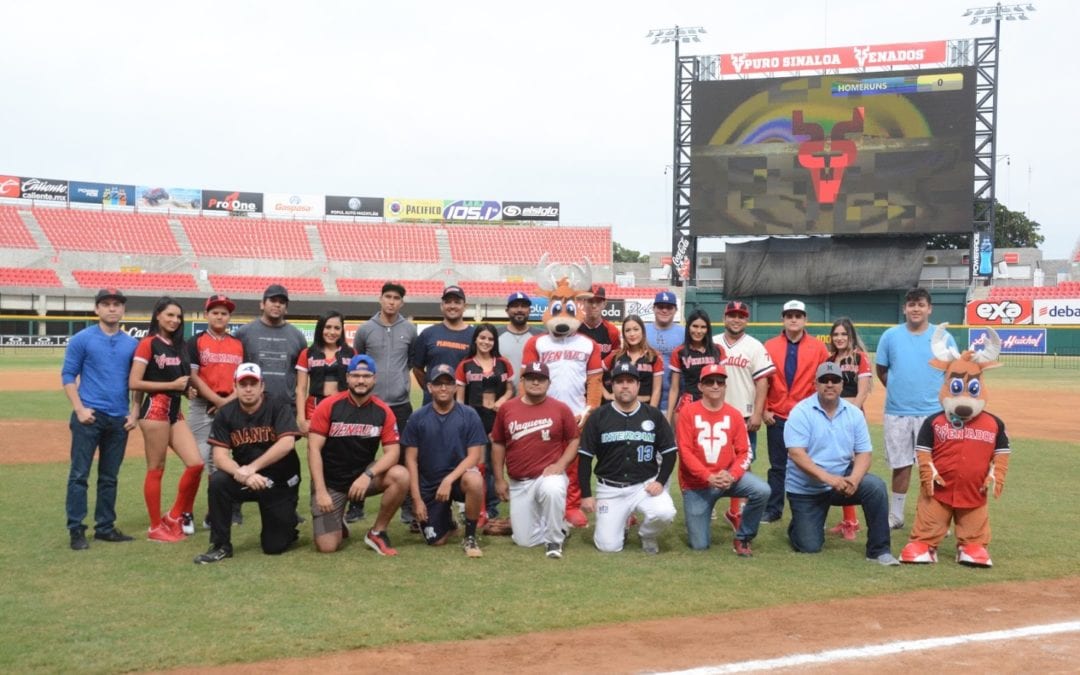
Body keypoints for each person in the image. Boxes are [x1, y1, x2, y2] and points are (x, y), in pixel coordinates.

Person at [784, 362, 899, 566]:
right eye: (824, 380)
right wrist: (830, 479)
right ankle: (799, 525)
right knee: (809, 546)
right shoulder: (801, 412)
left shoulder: (853, 413)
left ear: (842, 384)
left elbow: (864, 452)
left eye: (835, 380)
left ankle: (879, 551)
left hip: (842, 479)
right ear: (815, 384)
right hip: (807, 488)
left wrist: (854, 479)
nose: (830, 384)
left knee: (875, 487)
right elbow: (796, 454)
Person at [194, 363, 303, 564]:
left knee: (274, 547)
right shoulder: (226, 413)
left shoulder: (278, 406)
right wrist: (245, 474)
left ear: (262, 386)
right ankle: (220, 545)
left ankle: (288, 523)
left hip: (280, 480)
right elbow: (219, 457)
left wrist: (253, 468)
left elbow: (287, 443)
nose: (248, 389)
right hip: (248, 478)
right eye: (243, 384)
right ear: (235, 387)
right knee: (218, 482)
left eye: (253, 383)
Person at [306, 354, 409, 555]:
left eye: (366, 376)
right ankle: (338, 519)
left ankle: (377, 532)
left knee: (401, 475)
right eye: (355, 375)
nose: (361, 380)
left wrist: (366, 476)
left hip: (362, 479)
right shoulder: (329, 405)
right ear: (347, 378)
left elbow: (393, 453)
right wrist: (320, 491)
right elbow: (313, 449)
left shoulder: (383, 411)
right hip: (330, 483)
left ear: (374, 378)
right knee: (327, 547)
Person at [61, 288, 138, 550]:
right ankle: (76, 529)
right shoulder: (82, 339)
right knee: (79, 475)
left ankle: (105, 527)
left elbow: (136, 382)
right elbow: (68, 375)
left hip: (119, 420)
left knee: (109, 477)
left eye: (117, 304)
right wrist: (80, 409)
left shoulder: (131, 343)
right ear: (97, 309)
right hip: (89, 417)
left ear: (123, 309)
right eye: (106, 304)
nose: (112, 308)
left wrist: (135, 411)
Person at [875, 287, 957, 530]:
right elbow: (882, 370)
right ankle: (896, 515)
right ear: (904, 309)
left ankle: (935, 516)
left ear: (929, 308)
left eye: (921, 304)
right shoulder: (890, 336)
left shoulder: (943, 337)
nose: (916, 309)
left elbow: (953, 373)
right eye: (911, 304)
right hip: (897, 411)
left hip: (933, 413)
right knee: (900, 465)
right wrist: (900, 390)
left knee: (934, 466)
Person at [578, 362, 678, 554]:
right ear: (612, 386)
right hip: (610, 488)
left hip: (644, 485)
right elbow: (585, 457)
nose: (625, 385)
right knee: (608, 547)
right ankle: (620, 523)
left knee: (665, 513)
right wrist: (586, 494)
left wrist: (660, 481)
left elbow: (669, 452)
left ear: (638, 386)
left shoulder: (653, 414)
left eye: (630, 381)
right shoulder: (599, 416)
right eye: (619, 381)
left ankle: (647, 534)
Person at [129, 297, 204, 542]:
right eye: (169, 315)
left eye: (178, 316)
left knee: (196, 464)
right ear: (158, 315)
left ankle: (173, 515)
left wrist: (185, 390)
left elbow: (180, 380)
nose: (174, 320)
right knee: (156, 468)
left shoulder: (179, 346)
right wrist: (171, 385)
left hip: (174, 408)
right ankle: (154, 527)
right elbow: (134, 382)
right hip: (154, 409)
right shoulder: (148, 344)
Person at [675, 363, 771, 556]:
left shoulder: (734, 415)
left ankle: (743, 538)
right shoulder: (687, 413)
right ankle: (696, 521)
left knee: (762, 490)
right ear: (701, 386)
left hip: (728, 479)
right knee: (700, 545)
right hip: (697, 485)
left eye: (720, 381)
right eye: (709, 382)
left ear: (726, 386)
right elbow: (684, 452)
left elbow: (745, 452)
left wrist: (732, 475)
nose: (715, 386)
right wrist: (708, 477)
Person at [490, 362, 580, 559]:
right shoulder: (507, 408)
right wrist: (499, 479)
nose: (536, 382)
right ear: (522, 381)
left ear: (549, 383)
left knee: (553, 489)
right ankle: (559, 526)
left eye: (541, 379)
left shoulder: (560, 408)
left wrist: (561, 464)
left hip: (548, 475)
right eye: (531, 378)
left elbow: (574, 439)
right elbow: (498, 444)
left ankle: (555, 539)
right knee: (524, 541)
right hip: (519, 481)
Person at [402, 364, 488, 557]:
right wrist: (416, 500)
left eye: (448, 384)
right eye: (438, 384)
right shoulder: (417, 418)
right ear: (429, 387)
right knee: (436, 541)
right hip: (430, 483)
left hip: (457, 479)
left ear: (455, 388)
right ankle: (447, 522)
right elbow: (411, 461)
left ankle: (470, 537)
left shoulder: (469, 415)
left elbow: (475, 456)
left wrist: (449, 480)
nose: (443, 388)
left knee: (474, 480)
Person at [352, 281, 418, 524]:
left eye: (396, 298)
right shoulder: (365, 329)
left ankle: (407, 507)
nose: (391, 301)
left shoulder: (409, 330)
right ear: (380, 299)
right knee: (360, 453)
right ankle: (355, 504)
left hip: (400, 404)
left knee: (403, 456)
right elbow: (358, 361)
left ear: (402, 302)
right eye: (387, 297)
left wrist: (399, 382)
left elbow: (410, 362)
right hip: (369, 403)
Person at [761, 300, 829, 523]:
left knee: (809, 464)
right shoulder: (769, 345)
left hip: (806, 417)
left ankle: (809, 508)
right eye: (789, 315)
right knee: (778, 466)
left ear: (805, 319)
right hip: (777, 416)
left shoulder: (818, 347)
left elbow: (824, 381)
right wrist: (764, 409)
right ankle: (774, 509)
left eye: (798, 315)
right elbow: (762, 381)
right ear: (783, 318)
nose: (793, 319)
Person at [713, 300, 774, 530]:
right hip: (715, 415)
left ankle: (735, 510)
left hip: (744, 416)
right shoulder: (713, 342)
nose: (736, 319)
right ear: (724, 317)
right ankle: (708, 504)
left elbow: (762, 382)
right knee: (712, 461)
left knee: (743, 464)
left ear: (747, 319)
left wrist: (758, 413)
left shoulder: (755, 346)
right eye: (732, 315)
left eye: (741, 315)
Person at [186, 294, 244, 528]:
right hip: (202, 405)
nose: (220, 316)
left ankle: (214, 513)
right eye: (215, 312)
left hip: (231, 405)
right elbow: (193, 375)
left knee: (219, 463)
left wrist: (226, 403)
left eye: (224, 313)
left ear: (229, 317)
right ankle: (185, 512)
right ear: (206, 315)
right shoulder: (196, 341)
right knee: (197, 460)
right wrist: (216, 401)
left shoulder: (237, 344)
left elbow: (242, 378)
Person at [455, 323, 514, 520]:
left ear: (494, 341)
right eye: (482, 338)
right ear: (475, 340)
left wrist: (503, 400)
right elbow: (460, 399)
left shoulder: (503, 363)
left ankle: (492, 508)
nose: (486, 342)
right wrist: (464, 422)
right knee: (477, 465)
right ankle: (476, 510)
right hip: (474, 421)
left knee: (494, 464)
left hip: (497, 420)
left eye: (490, 339)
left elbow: (510, 389)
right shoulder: (465, 364)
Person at [825, 317, 873, 540]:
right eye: (836, 335)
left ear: (850, 336)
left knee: (853, 466)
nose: (840, 338)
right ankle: (848, 520)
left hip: (852, 416)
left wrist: (848, 414)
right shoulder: (831, 359)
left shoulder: (859, 358)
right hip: (833, 416)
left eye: (844, 334)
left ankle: (852, 522)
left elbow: (862, 392)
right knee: (839, 463)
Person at [236, 284, 308, 410]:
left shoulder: (297, 337)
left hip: (287, 408)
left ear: (286, 308)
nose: (277, 305)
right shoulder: (244, 333)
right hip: (251, 408)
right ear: (262, 304)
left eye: (282, 302)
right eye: (273, 300)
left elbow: (302, 378)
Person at [411, 284, 474, 405]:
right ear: (442, 306)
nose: (452, 306)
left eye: (457, 302)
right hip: (433, 404)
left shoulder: (474, 335)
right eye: (448, 302)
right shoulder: (428, 334)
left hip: (464, 404)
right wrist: (432, 389)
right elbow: (417, 368)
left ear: (464, 306)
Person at [295, 310, 355, 435]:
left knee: (342, 449)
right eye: (328, 327)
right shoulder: (307, 353)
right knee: (315, 448)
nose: (332, 332)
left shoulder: (351, 353)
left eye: (337, 328)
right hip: (314, 408)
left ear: (342, 330)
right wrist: (301, 419)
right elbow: (301, 389)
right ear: (320, 327)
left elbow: (356, 385)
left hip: (343, 407)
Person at [667, 308, 724, 423]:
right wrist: (668, 416)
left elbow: (723, 384)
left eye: (703, 327)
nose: (698, 331)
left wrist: (722, 407)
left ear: (708, 329)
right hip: (688, 402)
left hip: (712, 402)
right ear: (688, 327)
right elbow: (674, 388)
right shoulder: (679, 352)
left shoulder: (718, 350)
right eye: (695, 326)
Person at [603, 314, 662, 406]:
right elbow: (594, 374)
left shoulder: (653, 356)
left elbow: (656, 390)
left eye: (636, 329)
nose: (632, 334)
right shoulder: (616, 355)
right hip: (618, 408)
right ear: (624, 334)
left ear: (643, 331)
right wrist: (606, 395)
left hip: (644, 408)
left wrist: (651, 413)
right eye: (628, 330)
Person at [578, 284, 621, 393]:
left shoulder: (612, 331)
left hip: (605, 384)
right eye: (590, 301)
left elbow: (616, 357)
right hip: (579, 385)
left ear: (604, 303)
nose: (594, 305)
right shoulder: (575, 329)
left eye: (598, 301)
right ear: (583, 302)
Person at [497, 291, 543, 392]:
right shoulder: (496, 335)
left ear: (530, 310)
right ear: (507, 310)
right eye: (515, 306)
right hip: (502, 397)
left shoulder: (540, 337)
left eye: (524, 306)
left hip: (532, 396)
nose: (519, 310)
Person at [645, 290, 682, 412]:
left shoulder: (684, 333)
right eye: (660, 307)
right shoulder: (642, 331)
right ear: (653, 308)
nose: (664, 310)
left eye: (669, 307)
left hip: (676, 400)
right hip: (645, 397)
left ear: (675, 310)